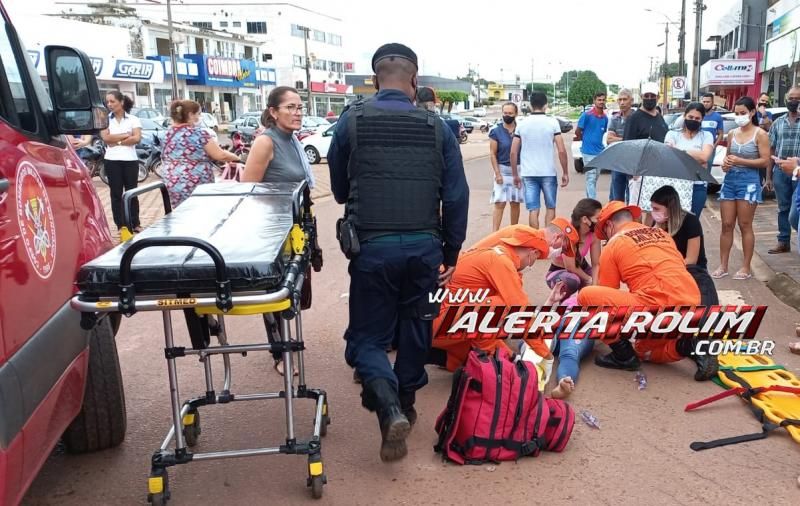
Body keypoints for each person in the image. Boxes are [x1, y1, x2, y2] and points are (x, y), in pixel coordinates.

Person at [326, 43, 469, 462]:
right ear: (414, 80)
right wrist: (452, 250)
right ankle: (405, 401)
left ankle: (387, 405)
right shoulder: (437, 127)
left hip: (372, 248)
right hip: (425, 248)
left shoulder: (351, 121)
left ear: (374, 81)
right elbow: (456, 195)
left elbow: (337, 190)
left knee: (368, 338)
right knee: (416, 325)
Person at [576, 201, 718, 380]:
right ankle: (687, 344)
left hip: (657, 305)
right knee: (643, 349)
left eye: (604, 234)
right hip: (691, 302)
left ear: (610, 226)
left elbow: (606, 297)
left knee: (587, 297)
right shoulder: (661, 233)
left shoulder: (614, 244)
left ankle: (624, 356)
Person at [243, 86, 318, 376]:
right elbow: (248, 189)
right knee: (275, 291)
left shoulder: (293, 140)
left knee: (294, 289)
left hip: (295, 225)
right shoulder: (266, 142)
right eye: (290, 107)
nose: (297, 113)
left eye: (300, 107)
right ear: (273, 112)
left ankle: (287, 342)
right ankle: (279, 351)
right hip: (273, 230)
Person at [429, 225, 567, 371]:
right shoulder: (501, 262)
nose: (531, 264)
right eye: (535, 259)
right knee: (502, 306)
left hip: (436, 318)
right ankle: (489, 365)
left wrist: (512, 357)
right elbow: (521, 313)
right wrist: (546, 356)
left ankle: (443, 356)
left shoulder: (497, 255)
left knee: (496, 317)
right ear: (532, 253)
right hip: (438, 322)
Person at [712, 97, 771, 281]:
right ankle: (723, 265)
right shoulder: (732, 134)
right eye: (736, 113)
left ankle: (746, 266)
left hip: (749, 181)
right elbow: (729, 157)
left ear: (752, 112)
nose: (739, 117)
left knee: (745, 224)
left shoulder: (760, 134)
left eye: (743, 113)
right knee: (726, 224)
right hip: (730, 181)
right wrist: (726, 165)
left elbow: (765, 160)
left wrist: (741, 161)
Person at [162, 100, 240, 208]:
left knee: (181, 212)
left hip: (172, 180)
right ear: (190, 115)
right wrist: (236, 157)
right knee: (199, 211)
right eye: (198, 114)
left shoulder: (166, 134)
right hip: (194, 181)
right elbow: (220, 155)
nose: (199, 117)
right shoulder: (198, 133)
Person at [650, 185, 718, 306]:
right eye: (652, 208)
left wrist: (669, 270)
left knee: (704, 310)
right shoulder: (657, 223)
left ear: (670, 208)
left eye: (656, 209)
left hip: (692, 271)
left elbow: (691, 259)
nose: (653, 212)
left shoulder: (690, 221)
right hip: (666, 272)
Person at [511, 91, 569, 229]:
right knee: (550, 207)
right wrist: (565, 172)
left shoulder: (521, 124)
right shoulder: (552, 123)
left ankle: (536, 239)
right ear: (546, 105)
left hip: (528, 172)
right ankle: (548, 240)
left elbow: (513, 152)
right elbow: (561, 150)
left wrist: (515, 174)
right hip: (548, 172)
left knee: (533, 209)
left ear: (531, 105)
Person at [100, 91, 142, 233]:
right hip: (112, 160)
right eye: (108, 102)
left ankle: (135, 222)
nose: (109, 105)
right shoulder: (105, 119)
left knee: (132, 192)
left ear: (121, 102)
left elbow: (136, 138)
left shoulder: (133, 119)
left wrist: (116, 141)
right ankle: (121, 225)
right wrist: (125, 136)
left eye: (112, 101)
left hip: (130, 160)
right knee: (116, 193)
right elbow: (106, 138)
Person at [663, 102, 715, 218]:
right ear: (684, 116)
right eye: (690, 117)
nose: (693, 120)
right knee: (674, 220)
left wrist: (679, 150)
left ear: (702, 120)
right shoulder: (672, 134)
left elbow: (704, 157)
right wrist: (696, 157)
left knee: (693, 222)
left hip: (698, 185)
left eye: (697, 118)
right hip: (675, 184)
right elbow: (669, 155)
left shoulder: (706, 136)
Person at [624, 83, 668, 211]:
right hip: (639, 174)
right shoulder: (634, 118)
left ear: (658, 97)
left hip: (657, 173)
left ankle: (648, 232)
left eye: (652, 96)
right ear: (641, 96)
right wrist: (633, 172)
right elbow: (628, 146)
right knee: (636, 211)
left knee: (653, 210)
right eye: (646, 96)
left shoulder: (660, 119)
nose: (649, 98)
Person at [767, 86, 800, 254]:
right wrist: (769, 176)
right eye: (791, 98)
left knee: (797, 208)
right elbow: (771, 150)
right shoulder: (778, 123)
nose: (793, 101)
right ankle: (783, 241)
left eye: (797, 98)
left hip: (799, 172)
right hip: (780, 171)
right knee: (783, 207)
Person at [549, 199, 602, 287]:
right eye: (597, 218)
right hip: (559, 270)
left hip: (580, 266)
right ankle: (564, 301)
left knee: (603, 280)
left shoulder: (594, 234)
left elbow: (596, 264)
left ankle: (584, 299)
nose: (600, 221)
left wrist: (595, 285)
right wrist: (589, 279)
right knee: (572, 281)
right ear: (585, 219)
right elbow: (570, 267)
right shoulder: (568, 232)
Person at [488, 102, 523, 231]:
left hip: (518, 171)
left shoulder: (521, 130)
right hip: (502, 170)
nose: (507, 116)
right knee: (500, 203)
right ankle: (494, 234)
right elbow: (492, 153)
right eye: (505, 113)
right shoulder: (495, 131)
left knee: (515, 203)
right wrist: (497, 173)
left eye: (510, 113)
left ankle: (513, 232)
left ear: (516, 114)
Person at [574, 91, 608, 199]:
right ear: (594, 101)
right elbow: (578, 131)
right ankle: (593, 204)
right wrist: (583, 138)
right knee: (591, 178)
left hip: (599, 152)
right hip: (587, 152)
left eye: (603, 100)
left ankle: (589, 200)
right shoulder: (587, 115)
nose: (601, 102)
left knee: (594, 178)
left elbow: (602, 133)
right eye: (599, 100)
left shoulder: (605, 118)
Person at [607, 88, 635, 201]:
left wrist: (617, 139)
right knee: (616, 198)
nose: (622, 102)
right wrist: (627, 139)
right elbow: (609, 139)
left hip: (633, 163)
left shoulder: (637, 118)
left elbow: (637, 141)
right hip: (618, 162)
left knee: (632, 197)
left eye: (625, 99)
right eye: (620, 100)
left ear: (631, 101)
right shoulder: (615, 119)